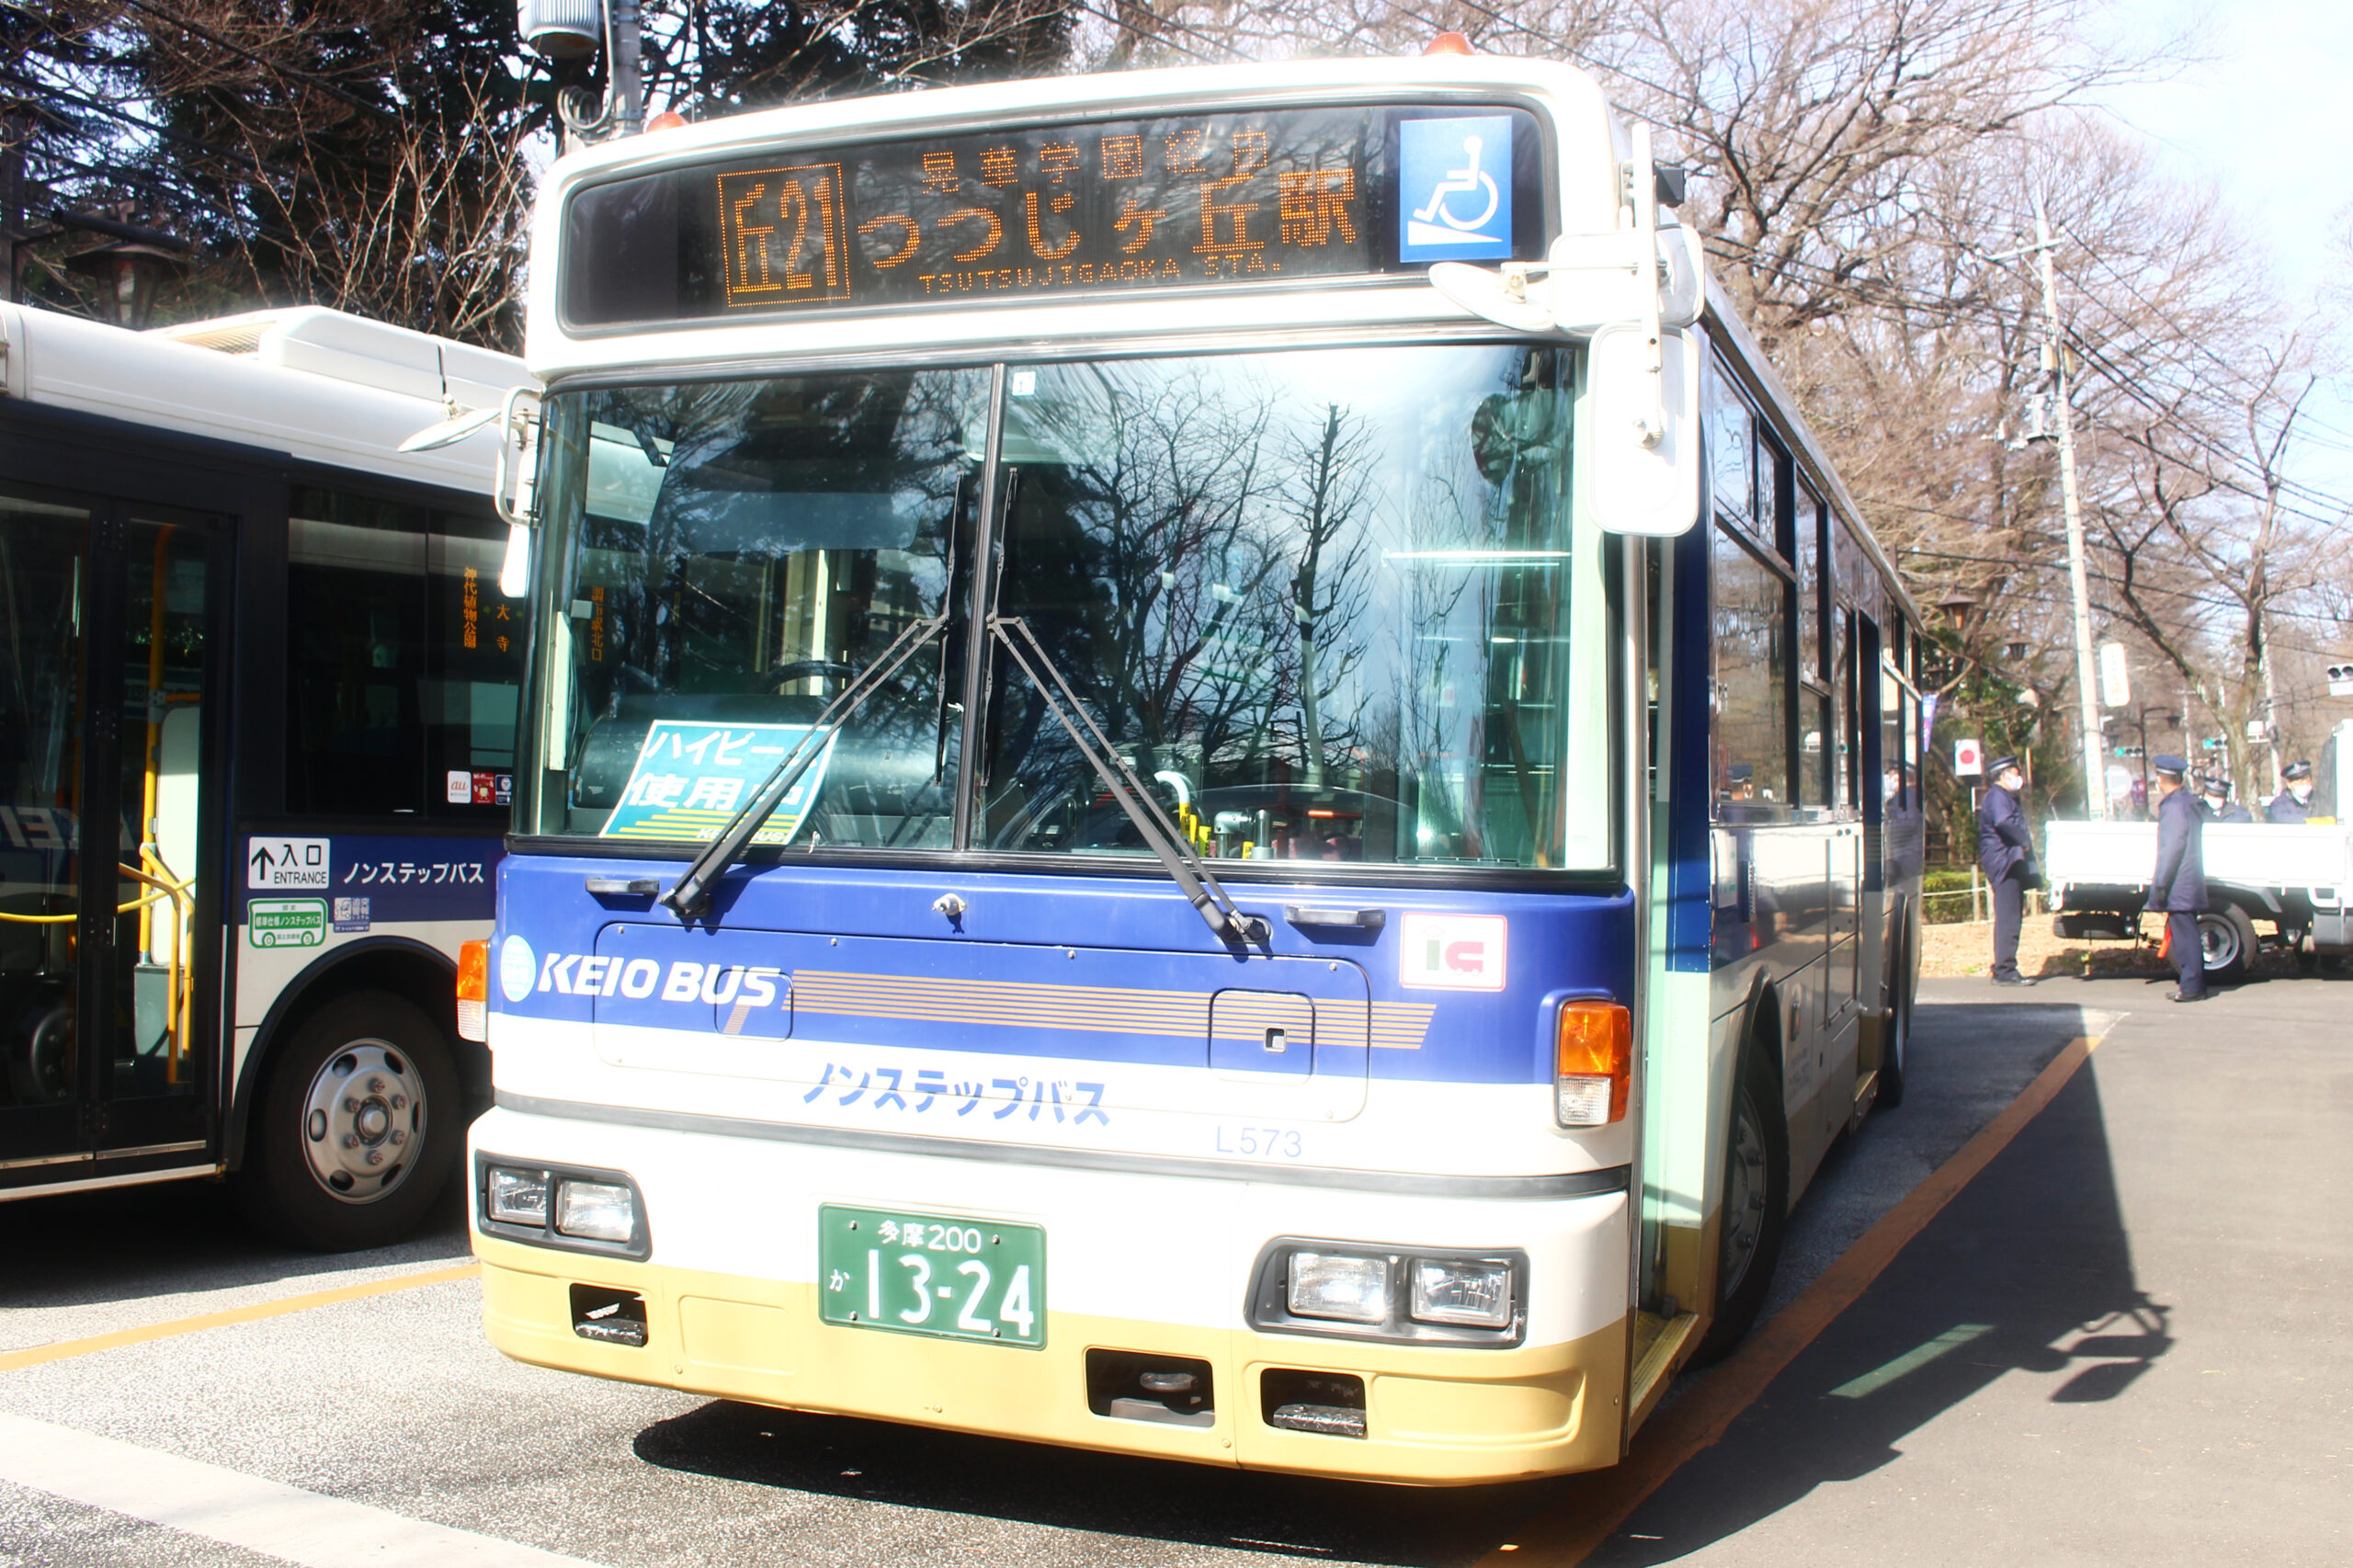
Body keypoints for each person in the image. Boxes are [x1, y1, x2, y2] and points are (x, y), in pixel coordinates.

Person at [2148, 754, 2210, 1003]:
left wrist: (2161, 882)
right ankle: (2192, 984)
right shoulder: (2189, 802)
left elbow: (2171, 848)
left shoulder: (2173, 807)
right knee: (2188, 934)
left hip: (2179, 883)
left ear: (2161, 778)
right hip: (2190, 879)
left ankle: (2192, 986)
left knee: (2185, 938)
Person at [1975, 755, 2038, 987]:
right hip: (2005, 862)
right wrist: (2023, 840)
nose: (2019, 778)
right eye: (2016, 773)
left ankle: (2005, 967)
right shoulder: (1998, 796)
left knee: (2011, 917)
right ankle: (2005, 969)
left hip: (2007, 862)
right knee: (2009, 918)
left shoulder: (2001, 796)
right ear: (2004, 775)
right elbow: (2003, 822)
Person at [2266, 760, 2315, 824]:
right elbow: (2283, 819)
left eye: (2307, 780)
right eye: (2298, 782)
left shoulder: (2320, 800)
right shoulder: (2280, 804)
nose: (2304, 784)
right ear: (2289, 784)